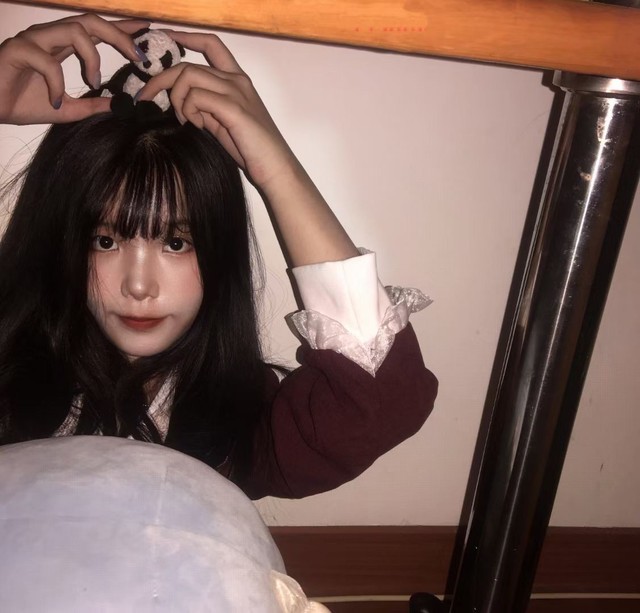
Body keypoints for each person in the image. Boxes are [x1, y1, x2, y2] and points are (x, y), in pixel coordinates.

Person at [0, 14, 438, 499]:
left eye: (175, 243)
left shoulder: (240, 421)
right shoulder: (12, 380)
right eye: (106, 241)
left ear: (219, 249)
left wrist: (276, 170)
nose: (138, 286)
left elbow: (376, 402)